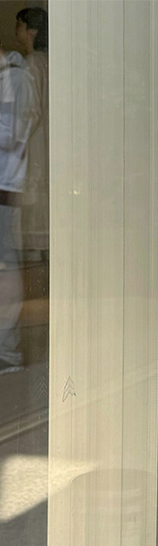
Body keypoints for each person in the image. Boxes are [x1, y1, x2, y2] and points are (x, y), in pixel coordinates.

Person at [0, 29, 33, 374]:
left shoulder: (14, 77)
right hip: (6, 186)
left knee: (7, 269)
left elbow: (10, 135)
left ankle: (7, 353)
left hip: (5, 187)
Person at [16, 7, 48, 261]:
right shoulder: (46, 61)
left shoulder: (32, 64)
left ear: (32, 31)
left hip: (36, 145)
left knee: (35, 200)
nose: (17, 31)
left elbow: (30, 112)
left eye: (20, 25)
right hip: (46, 143)